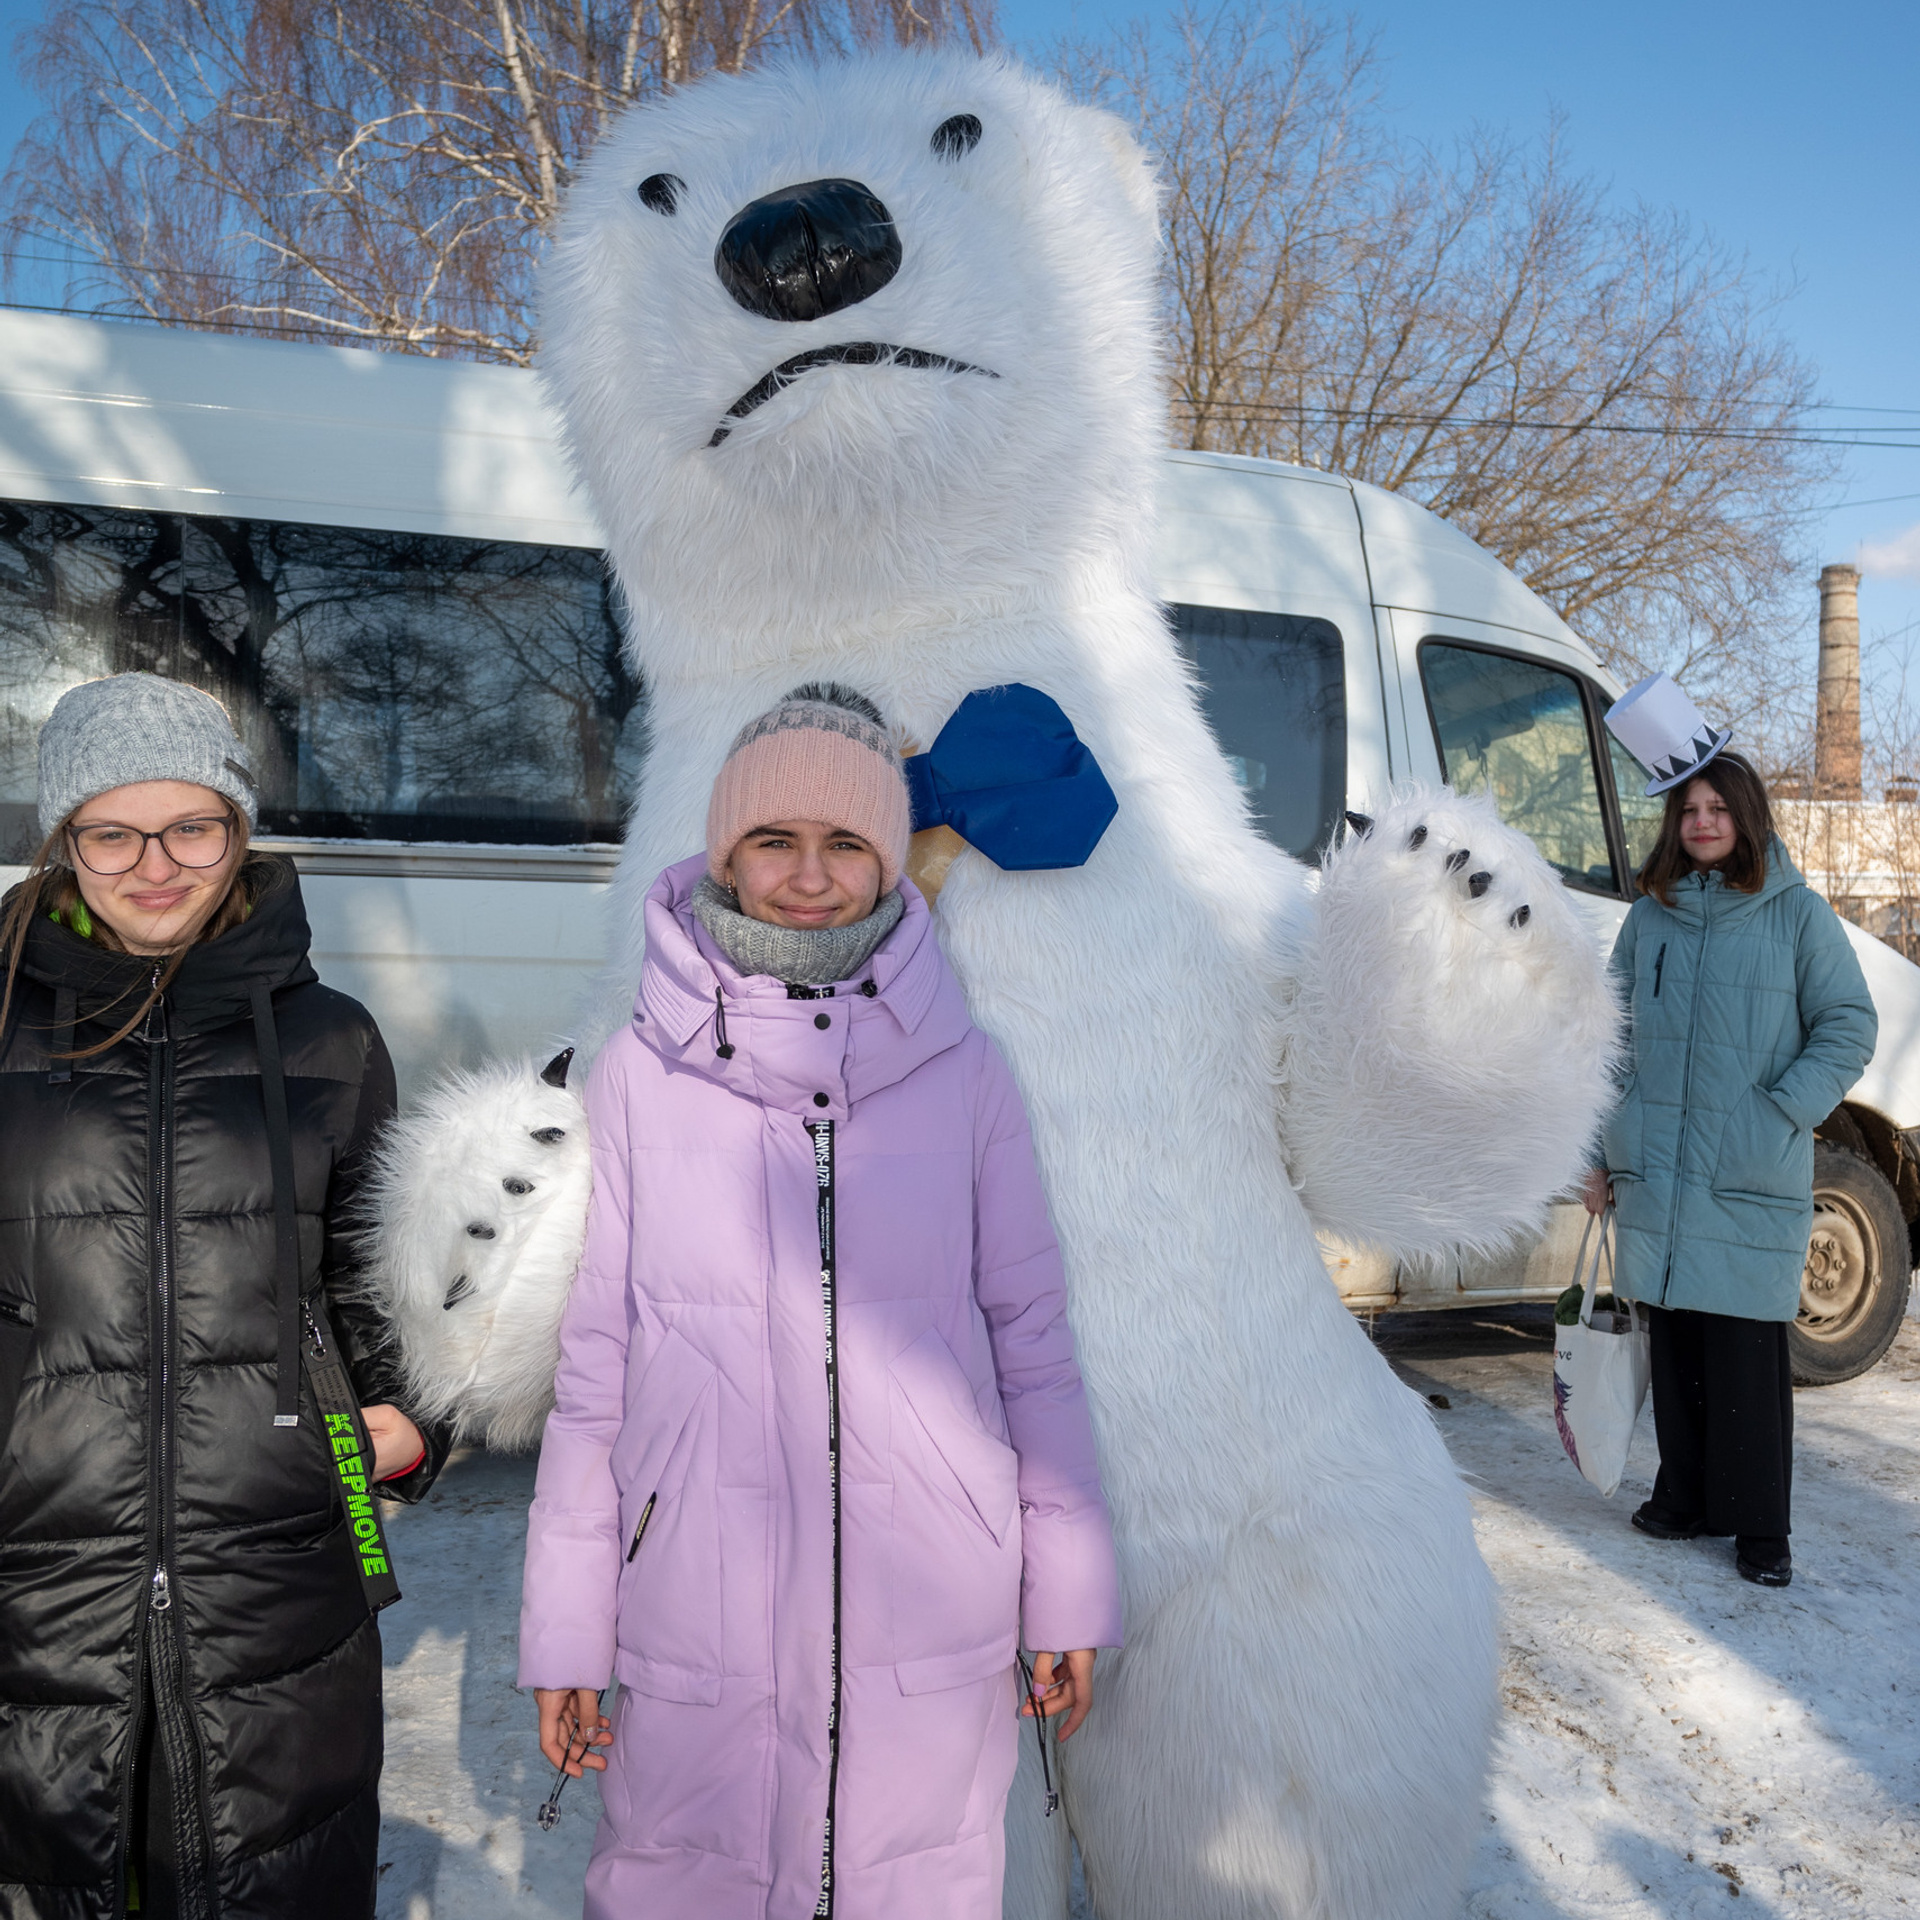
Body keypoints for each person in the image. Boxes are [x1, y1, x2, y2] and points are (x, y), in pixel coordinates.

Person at [519, 685, 1121, 1920]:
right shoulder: (640, 1074)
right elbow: (597, 1368)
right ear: (725, 852)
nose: (809, 875)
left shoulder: (966, 1069)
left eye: (846, 842)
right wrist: (569, 1629)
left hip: (932, 1596)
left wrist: (1065, 1582)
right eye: (773, 841)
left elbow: (1033, 1341)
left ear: (892, 859)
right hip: (697, 1595)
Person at [0, 674, 447, 1918]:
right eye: (112, 832)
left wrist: (409, 1428)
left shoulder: (330, 1040)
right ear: (63, 840)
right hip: (36, 1578)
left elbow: (377, 1291)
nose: (155, 864)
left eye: (191, 826)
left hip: (285, 1579)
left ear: (239, 832)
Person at [1584, 747, 1875, 1589]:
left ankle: (1758, 1526)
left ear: (1746, 816)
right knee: (1673, 1337)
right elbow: (1611, 1042)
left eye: (1718, 807)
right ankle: (1682, 1496)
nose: (1703, 821)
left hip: (1744, 1162)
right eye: (1689, 810)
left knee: (1746, 1349)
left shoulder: (1796, 915)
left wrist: (1780, 1108)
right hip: (1657, 1168)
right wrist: (1599, 1155)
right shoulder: (1649, 920)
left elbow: (1849, 1024)